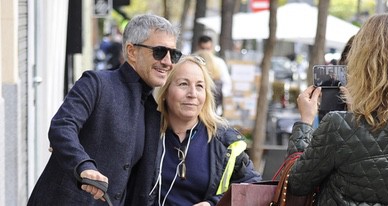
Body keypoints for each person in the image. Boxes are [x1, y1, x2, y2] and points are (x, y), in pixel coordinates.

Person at [286, 14, 388, 205]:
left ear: (362, 63)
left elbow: (297, 183)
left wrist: (305, 121)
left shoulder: (338, 125)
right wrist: (356, 112)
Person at [27, 14, 181, 206]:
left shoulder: (151, 108)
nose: (168, 62)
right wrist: (83, 166)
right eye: (159, 52)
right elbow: (62, 127)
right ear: (132, 52)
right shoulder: (97, 83)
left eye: (173, 54)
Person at [125, 55, 261, 205]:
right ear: (165, 91)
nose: (192, 94)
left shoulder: (224, 141)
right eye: (183, 84)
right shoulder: (142, 131)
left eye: (199, 86)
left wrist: (213, 204)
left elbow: (252, 187)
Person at [197, 35, 232, 115]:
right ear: (198, 47)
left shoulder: (219, 63)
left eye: (208, 49)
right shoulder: (191, 61)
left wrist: (217, 99)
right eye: (203, 48)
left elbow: (227, 84)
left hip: (213, 109)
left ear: (212, 48)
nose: (205, 52)